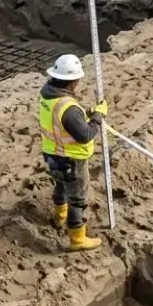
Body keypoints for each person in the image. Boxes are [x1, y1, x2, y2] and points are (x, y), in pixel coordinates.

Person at [39, 53, 108, 251]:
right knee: (77, 198)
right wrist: (97, 116)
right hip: (71, 159)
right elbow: (85, 134)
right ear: (72, 81)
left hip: (52, 153)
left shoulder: (47, 93)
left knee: (60, 186)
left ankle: (60, 216)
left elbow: (62, 118)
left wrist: (84, 112)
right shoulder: (67, 108)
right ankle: (77, 239)